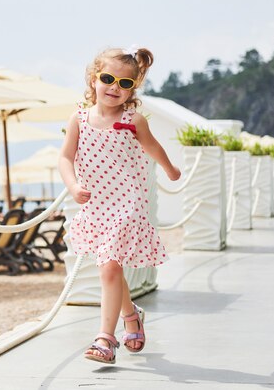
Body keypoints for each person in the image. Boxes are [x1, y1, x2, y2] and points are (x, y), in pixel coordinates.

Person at [58, 46, 181, 364]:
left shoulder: (133, 120)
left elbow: (153, 147)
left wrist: (170, 169)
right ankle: (131, 316)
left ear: (133, 88)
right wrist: (73, 186)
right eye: (108, 78)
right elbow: (65, 157)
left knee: (110, 267)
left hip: (127, 203)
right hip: (97, 205)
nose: (115, 87)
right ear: (93, 79)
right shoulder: (79, 119)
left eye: (125, 83)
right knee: (110, 270)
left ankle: (105, 338)